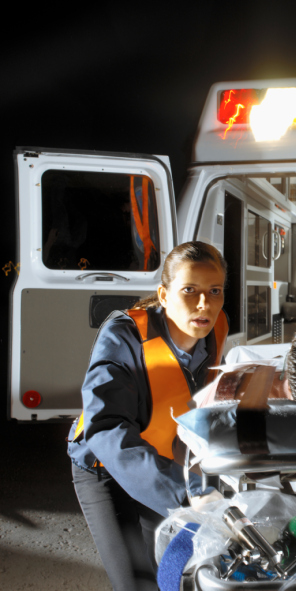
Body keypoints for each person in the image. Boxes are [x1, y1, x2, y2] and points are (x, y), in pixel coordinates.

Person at [67, 241, 229, 591]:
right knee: (137, 582)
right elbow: (106, 427)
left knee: (171, 571)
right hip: (105, 467)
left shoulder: (214, 329)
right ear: (164, 294)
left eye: (215, 291)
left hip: (162, 459)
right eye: (190, 290)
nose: (205, 304)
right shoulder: (125, 336)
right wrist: (184, 494)